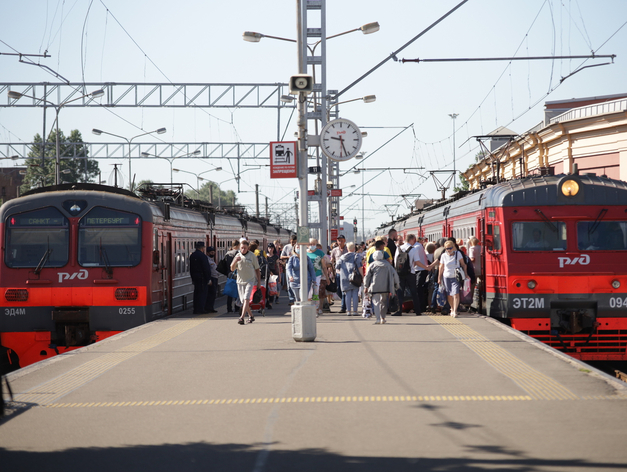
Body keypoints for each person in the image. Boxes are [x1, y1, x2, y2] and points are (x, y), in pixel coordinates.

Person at [230, 239, 261, 325]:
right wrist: (235, 261)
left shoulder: (252, 256)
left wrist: (258, 282)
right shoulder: (237, 256)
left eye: (245, 248)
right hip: (240, 281)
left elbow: (257, 270)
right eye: (242, 248)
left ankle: (242, 317)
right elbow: (232, 268)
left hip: (250, 281)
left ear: (248, 248)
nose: (243, 250)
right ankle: (251, 316)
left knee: (246, 298)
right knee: (244, 302)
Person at [364, 250, 400, 324]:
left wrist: (366, 286)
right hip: (386, 287)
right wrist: (397, 284)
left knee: (376, 302)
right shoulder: (388, 265)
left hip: (375, 287)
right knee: (384, 302)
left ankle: (377, 318)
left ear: (374, 257)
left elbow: (367, 277)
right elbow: (395, 275)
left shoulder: (372, 265)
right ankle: (383, 318)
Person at [438, 240, 468, 318]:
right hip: (446, 276)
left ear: (453, 247)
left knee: (456, 293)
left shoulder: (458, 254)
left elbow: (463, 264)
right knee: (449, 295)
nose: (449, 250)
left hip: (455, 276)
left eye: (450, 248)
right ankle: (452, 308)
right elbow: (441, 267)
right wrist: (439, 278)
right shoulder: (443, 256)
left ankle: (455, 311)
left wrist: (466, 274)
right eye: (447, 248)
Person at [336, 242, 364, 316]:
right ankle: (355, 311)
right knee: (355, 294)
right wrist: (362, 276)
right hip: (355, 278)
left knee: (347, 294)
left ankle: (348, 311)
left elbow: (337, 267)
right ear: (354, 248)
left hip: (345, 277)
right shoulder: (356, 256)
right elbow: (359, 267)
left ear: (347, 248)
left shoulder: (342, 257)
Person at [307, 238, 328, 316]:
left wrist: (327, 277)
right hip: (307, 276)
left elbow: (324, 266)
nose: (312, 246)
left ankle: (316, 310)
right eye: (310, 244)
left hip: (317, 276)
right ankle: (309, 310)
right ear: (307, 245)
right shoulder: (304, 253)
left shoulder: (320, 253)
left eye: (314, 244)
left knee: (315, 293)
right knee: (308, 293)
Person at [189, 241, 211, 314]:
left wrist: (192, 278)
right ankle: (201, 309)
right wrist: (208, 278)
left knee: (196, 293)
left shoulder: (192, 255)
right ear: (202, 248)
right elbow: (206, 268)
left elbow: (191, 268)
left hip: (195, 277)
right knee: (202, 293)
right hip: (202, 277)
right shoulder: (203, 256)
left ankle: (195, 309)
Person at [330, 234, 348, 313]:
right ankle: (345, 301)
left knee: (344, 290)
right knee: (338, 290)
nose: (340, 242)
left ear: (345, 241)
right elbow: (332, 260)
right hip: (338, 272)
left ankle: (343, 307)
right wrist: (330, 270)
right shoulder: (335, 250)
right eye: (339, 240)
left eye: (341, 240)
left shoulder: (348, 249)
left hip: (347, 273)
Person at [222, 240, 240, 314]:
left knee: (230, 292)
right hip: (236, 274)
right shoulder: (237, 253)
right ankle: (236, 307)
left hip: (229, 274)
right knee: (236, 291)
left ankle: (229, 308)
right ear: (238, 245)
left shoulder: (227, 253)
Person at [281, 234, 298, 306]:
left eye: (294, 242)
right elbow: (281, 256)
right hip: (288, 267)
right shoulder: (286, 247)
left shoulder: (298, 247)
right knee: (289, 284)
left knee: (297, 283)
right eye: (291, 242)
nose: (292, 243)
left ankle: (297, 298)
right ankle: (291, 299)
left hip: (297, 267)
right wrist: (288, 257)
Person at [204, 246, 219, 313]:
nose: (213, 253)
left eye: (213, 252)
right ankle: (208, 307)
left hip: (215, 278)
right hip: (212, 278)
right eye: (211, 252)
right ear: (208, 253)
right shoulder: (207, 260)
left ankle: (211, 307)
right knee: (211, 294)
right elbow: (208, 270)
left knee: (213, 294)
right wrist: (209, 279)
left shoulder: (211, 260)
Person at [266, 242, 280, 309]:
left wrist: (279, 276)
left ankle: (270, 303)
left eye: (272, 248)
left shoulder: (275, 257)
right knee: (266, 289)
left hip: (274, 275)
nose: (270, 249)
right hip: (267, 274)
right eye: (269, 248)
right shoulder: (266, 256)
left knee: (272, 289)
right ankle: (267, 301)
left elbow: (277, 266)